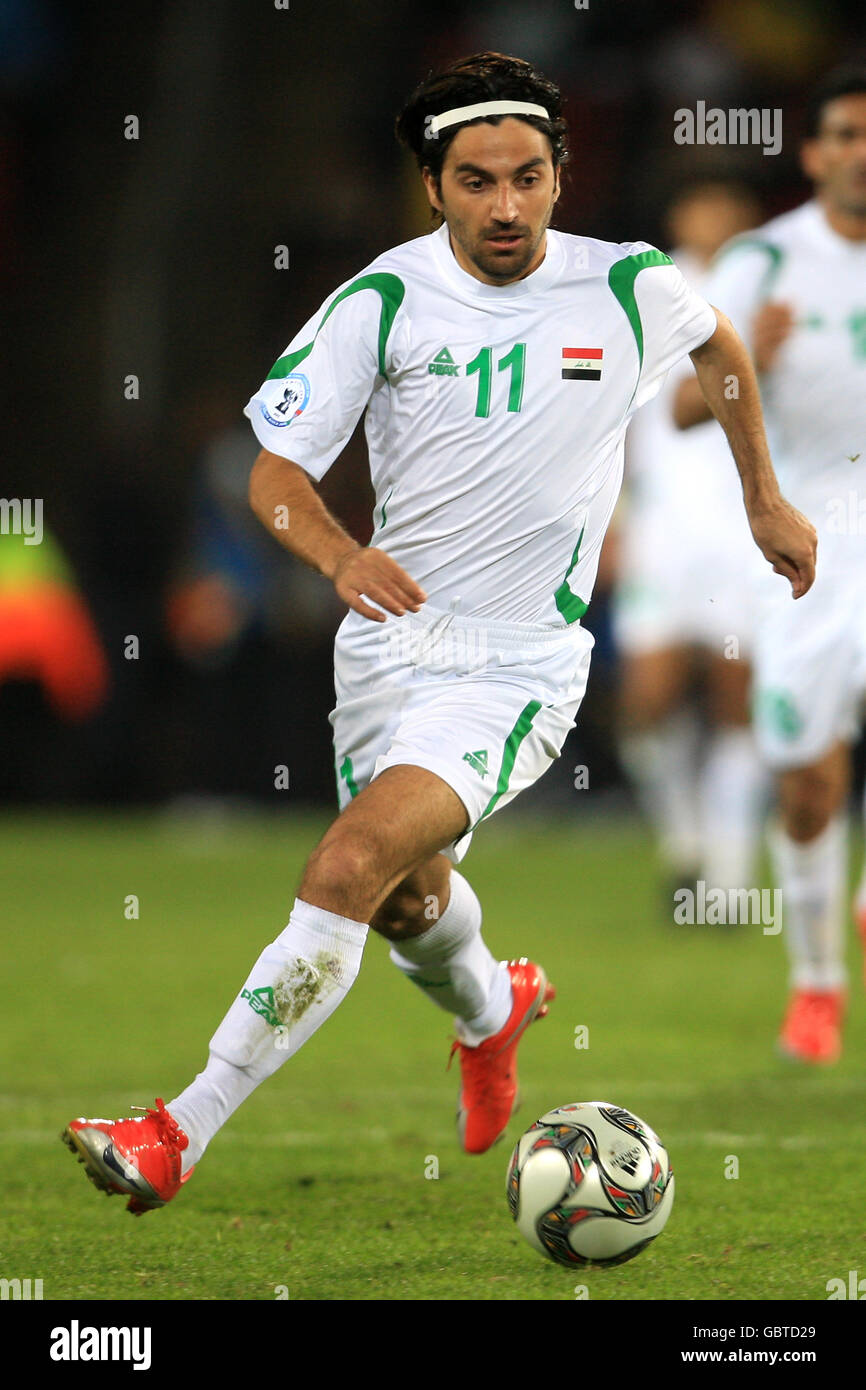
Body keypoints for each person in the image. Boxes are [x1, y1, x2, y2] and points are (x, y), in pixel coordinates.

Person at [62, 51, 815, 1213]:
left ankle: (177, 1129)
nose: (502, 205)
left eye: (524, 177)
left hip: (517, 663)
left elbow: (718, 350)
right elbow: (272, 471)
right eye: (473, 181)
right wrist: (339, 554)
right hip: (383, 648)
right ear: (433, 187)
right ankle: (493, 1007)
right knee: (408, 900)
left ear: (561, 175)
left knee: (347, 863)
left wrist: (762, 497)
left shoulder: (625, 286)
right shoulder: (382, 299)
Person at [674, 67, 866, 1064]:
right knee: (805, 786)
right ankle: (816, 980)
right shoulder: (759, 263)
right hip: (812, 544)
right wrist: (754, 356)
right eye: (841, 134)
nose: (857, 152)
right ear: (812, 153)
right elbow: (672, 407)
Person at [612, 182, 768, 899]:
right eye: (701, 205)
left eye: (728, 207)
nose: (715, 219)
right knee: (646, 700)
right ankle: (686, 841)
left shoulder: (773, 287)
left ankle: (730, 882)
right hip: (664, 526)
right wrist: (609, 519)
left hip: (748, 524)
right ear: (679, 215)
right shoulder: (642, 289)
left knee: (740, 701)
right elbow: (614, 413)